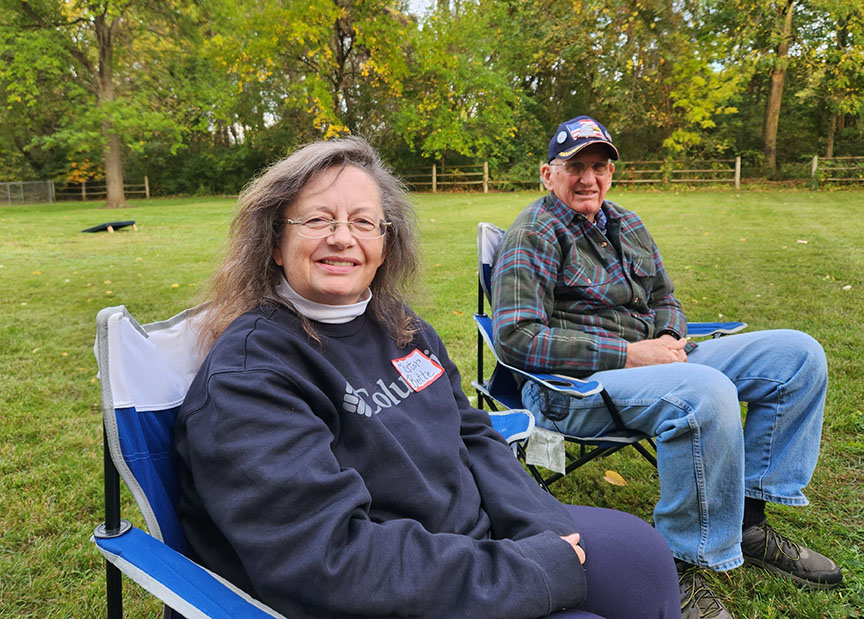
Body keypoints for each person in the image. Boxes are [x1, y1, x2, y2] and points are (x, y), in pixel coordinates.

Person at [174, 136, 682, 619]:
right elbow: (329, 559)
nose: (342, 237)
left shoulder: (400, 326)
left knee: (642, 560)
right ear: (275, 244)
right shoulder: (251, 375)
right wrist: (525, 571)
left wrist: (539, 527)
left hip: (478, 542)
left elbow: (473, 433)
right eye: (317, 219)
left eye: (363, 222)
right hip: (394, 590)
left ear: (386, 244)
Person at [490, 116, 843, 619]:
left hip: (662, 355)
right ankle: (681, 566)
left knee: (798, 355)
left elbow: (664, 297)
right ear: (549, 174)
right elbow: (517, 337)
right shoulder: (535, 234)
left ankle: (749, 520)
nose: (588, 178)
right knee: (705, 391)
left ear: (611, 172)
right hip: (577, 387)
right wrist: (632, 355)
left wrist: (671, 336)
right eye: (575, 167)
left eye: (600, 166)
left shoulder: (628, 223)